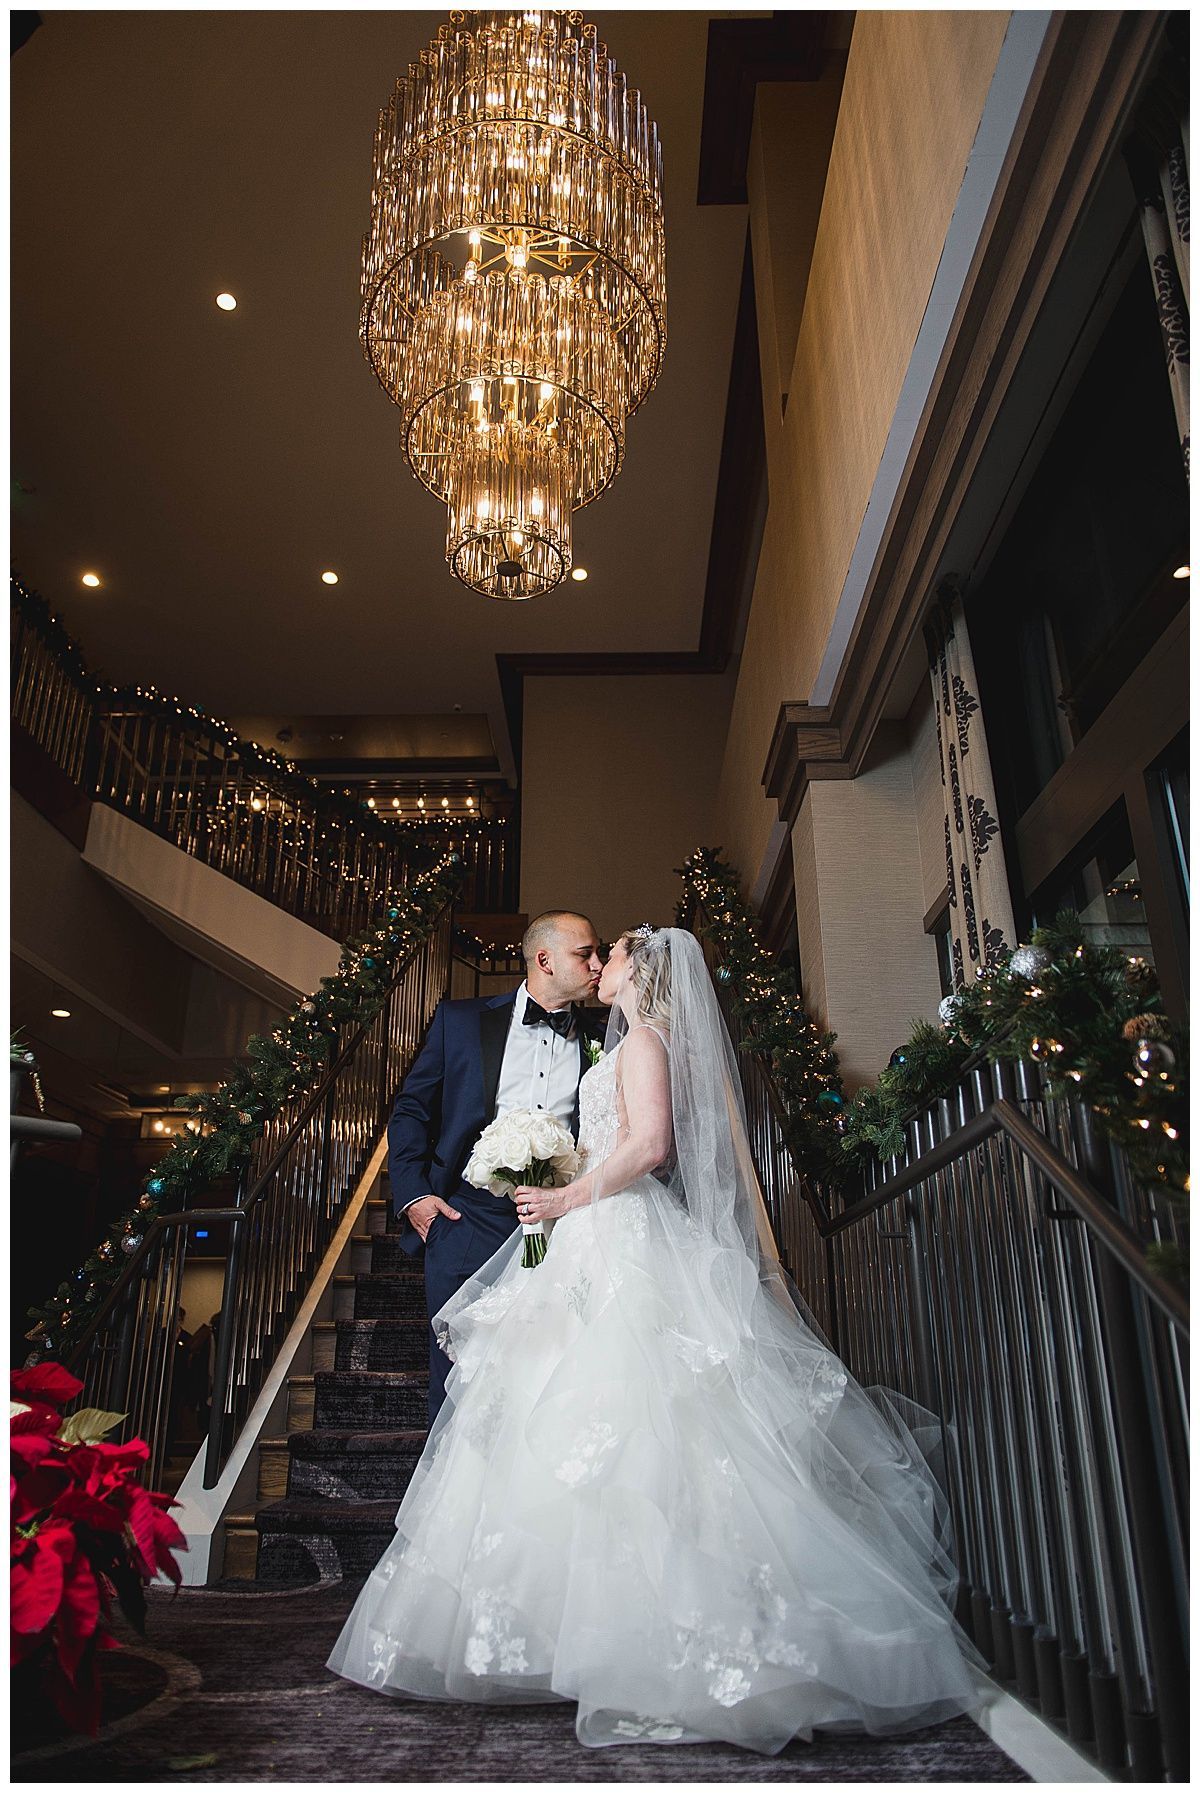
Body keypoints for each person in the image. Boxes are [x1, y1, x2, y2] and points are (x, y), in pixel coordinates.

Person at [329, 925, 984, 1752]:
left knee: (641, 1427)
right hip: (563, 1230)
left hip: (612, 1232)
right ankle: (582, 1627)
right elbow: (442, 1114)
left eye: (613, 953)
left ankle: (654, 1638)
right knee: (560, 1420)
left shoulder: (642, 1041)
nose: (600, 962)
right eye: (588, 952)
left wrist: (564, 1201)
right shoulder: (609, 1040)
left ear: (645, 968)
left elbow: (651, 1145)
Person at [388, 910, 607, 1422]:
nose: (597, 964)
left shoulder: (606, 1035)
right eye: (585, 953)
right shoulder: (461, 1021)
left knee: (554, 1369)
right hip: (467, 1218)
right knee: (458, 1374)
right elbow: (412, 1109)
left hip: (565, 1223)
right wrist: (415, 1196)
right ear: (545, 959)